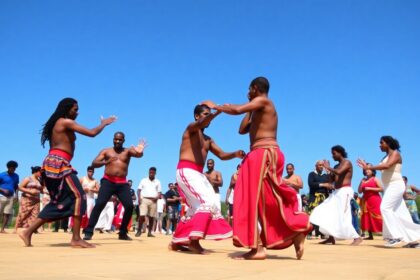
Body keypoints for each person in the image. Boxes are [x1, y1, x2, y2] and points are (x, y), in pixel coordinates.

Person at [202, 77, 311, 260]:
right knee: (265, 201)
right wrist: (250, 110)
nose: (247, 92)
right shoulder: (257, 106)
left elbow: (236, 109)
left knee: (251, 199)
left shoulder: (264, 101)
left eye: (249, 89)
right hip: (259, 154)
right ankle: (296, 232)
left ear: (254, 88)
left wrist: (217, 106)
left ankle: (258, 248)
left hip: (264, 152)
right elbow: (242, 129)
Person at [18, 98, 116, 248]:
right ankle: (76, 238)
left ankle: (28, 232)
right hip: (58, 163)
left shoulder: (60, 122)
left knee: (60, 201)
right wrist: (103, 124)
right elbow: (91, 133)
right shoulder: (64, 121)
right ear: (67, 109)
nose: (77, 112)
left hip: (55, 163)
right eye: (75, 109)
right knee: (79, 195)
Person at [169, 104, 245, 254]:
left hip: (198, 174)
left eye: (209, 115)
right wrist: (218, 112)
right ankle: (194, 242)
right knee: (206, 203)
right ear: (197, 116)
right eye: (205, 114)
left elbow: (222, 155)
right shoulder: (190, 129)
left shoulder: (208, 140)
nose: (208, 117)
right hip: (186, 171)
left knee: (203, 206)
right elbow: (200, 123)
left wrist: (235, 154)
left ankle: (178, 241)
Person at [358, 136, 420, 248]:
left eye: (381, 143)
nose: (379, 145)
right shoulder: (385, 156)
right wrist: (367, 167)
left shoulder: (395, 153)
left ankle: (395, 236)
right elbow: (383, 166)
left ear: (388, 143)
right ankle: (414, 240)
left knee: (385, 208)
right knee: (401, 213)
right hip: (389, 186)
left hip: (396, 185)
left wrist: (369, 167)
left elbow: (387, 166)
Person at [83, 132, 145, 241]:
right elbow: (94, 163)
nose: (117, 141)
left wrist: (140, 151)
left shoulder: (127, 151)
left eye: (120, 140)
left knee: (130, 206)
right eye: (116, 139)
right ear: (113, 139)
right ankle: (88, 231)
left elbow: (138, 155)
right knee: (100, 204)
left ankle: (122, 232)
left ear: (123, 141)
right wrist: (106, 161)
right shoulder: (106, 151)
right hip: (108, 181)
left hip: (122, 183)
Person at [310, 145, 362, 246]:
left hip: (345, 191)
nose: (332, 156)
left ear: (340, 153)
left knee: (344, 215)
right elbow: (331, 180)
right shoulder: (335, 166)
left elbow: (339, 172)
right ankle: (330, 237)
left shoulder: (347, 162)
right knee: (327, 211)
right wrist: (328, 171)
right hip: (336, 192)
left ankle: (357, 237)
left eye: (334, 154)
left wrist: (328, 167)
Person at [14, 166, 43, 233]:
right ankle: (16, 228)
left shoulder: (39, 180)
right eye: (40, 172)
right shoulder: (28, 179)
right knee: (22, 214)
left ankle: (33, 229)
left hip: (36, 200)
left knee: (35, 215)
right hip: (27, 199)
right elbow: (20, 187)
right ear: (36, 172)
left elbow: (41, 190)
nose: (41, 174)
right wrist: (29, 191)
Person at [358, 164, 383, 240]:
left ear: (372, 171)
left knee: (378, 216)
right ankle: (370, 235)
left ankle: (387, 233)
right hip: (365, 200)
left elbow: (381, 189)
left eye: (369, 169)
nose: (367, 171)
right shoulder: (363, 180)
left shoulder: (375, 179)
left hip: (375, 200)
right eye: (366, 170)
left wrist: (370, 188)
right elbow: (359, 191)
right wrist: (361, 183)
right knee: (367, 217)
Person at [307, 160, 330, 238]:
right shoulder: (312, 174)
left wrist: (329, 174)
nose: (321, 167)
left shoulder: (325, 175)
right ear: (316, 166)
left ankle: (321, 233)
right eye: (320, 165)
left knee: (323, 215)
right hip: (314, 197)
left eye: (322, 165)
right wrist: (323, 184)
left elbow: (330, 184)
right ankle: (310, 233)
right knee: (312, 214)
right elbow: (311, 184)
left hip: (324, 198)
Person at [136, 167, 161, 237]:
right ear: (148, 172)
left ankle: (149, 232)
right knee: (142, 215)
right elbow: (138, 190)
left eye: (153, 172)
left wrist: (156, 198)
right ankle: (139, 231)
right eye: (150, 172)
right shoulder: (143, 180)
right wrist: (139, 198)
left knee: (151, 217)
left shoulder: (158, 181)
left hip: (154, 200)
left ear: (155, 173)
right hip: (144, 199)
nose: (151, 173)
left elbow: (159, 192)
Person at [0, 160, 19, 233]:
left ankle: (2, 229)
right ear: (8, 167)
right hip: (1, 196)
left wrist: (16, 195)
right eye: (12, 168)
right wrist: (2, 190)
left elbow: (16, 186)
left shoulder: (16, 176)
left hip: (11, 197)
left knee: (7, 213)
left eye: (15, 168)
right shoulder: (1, 175)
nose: (14, 169)